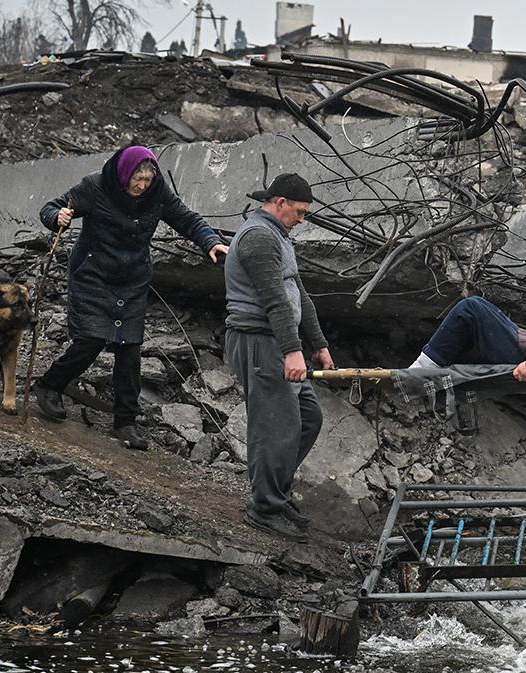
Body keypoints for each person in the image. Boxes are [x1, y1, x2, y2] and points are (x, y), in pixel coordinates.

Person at [32, 145, 228, 449]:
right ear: (124, 174)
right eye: (137, 179)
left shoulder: (157, 194)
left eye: (148, 180)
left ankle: (125, 422)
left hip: (132, 281)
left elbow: (187, 220)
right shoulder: (95, 186)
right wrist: (57, 216)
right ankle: (49, 385)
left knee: (130, 349)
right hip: (93, 273)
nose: (142, 186)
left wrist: (210, 242)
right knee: (91, 339)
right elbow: (50, 208)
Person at [223, 172, 333, 541]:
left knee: (307, 418)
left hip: (274, 342)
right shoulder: (257, 238)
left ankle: (275, 492)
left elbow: (298, 294)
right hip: (259, 342)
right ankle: (264, 507)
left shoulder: (279, 236)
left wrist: (318, 343)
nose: (302, 220)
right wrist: (293, 351)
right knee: (275, 427)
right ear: (280, 203)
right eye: (299, 212)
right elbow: (274, 301)